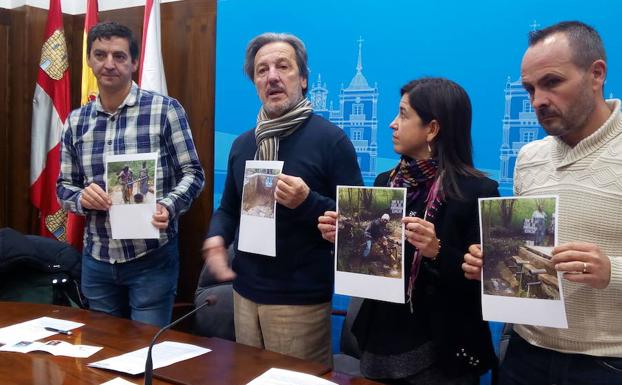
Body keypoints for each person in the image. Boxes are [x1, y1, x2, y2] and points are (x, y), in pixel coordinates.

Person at [462, 21, 622, 384]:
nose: (538, 101)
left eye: (552, 82)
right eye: (530, 88)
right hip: (525, 353)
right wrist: (494, 261)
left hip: (608, 363)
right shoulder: (529, 157)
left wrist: (612, 270)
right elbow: (525, 255)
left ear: (596, 74)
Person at [319, 78, 499, 384]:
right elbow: (372, 265)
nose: (392, 124)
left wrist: (437, 250)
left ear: (432, 129)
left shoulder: (477, 191)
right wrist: (345, 239)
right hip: (380, 340)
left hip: (443, 349)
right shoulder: (384, 182)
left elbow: (488, 283)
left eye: (403, 115)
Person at [203, 32, 362, 366]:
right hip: (244, 295)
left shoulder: (331, 141)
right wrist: (217, 238)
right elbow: (229, 209)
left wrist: (308, 202)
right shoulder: (244, 145)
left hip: (299, 302)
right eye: (262, 70)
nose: (272, 76)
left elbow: (359, 225)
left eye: (282, 66)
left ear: (303, 79)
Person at [56, 22, 205, 327]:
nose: (109, 64)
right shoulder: (75, 122)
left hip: (151, 257)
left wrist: (169, 205)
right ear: (89, 60)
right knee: (102, 351)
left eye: (119, 56)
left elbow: (193, 173)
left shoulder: (165, 110)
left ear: (135, 62)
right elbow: (63, 188)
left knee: (144, 351)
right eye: (100, 55)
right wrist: (82, 197)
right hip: (96, 257)